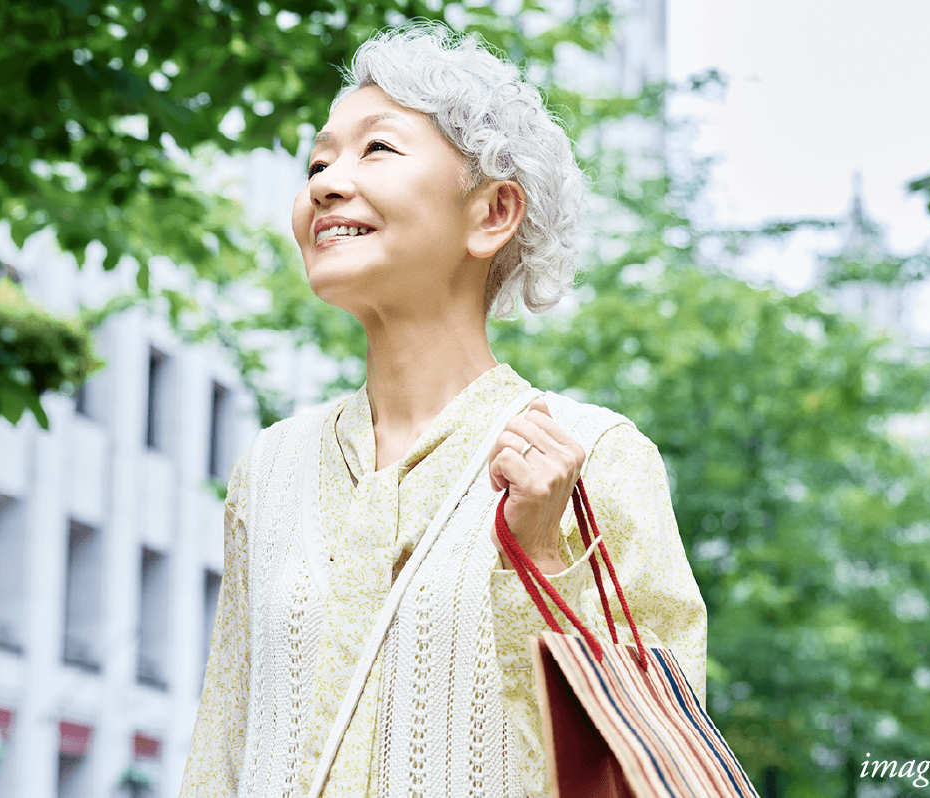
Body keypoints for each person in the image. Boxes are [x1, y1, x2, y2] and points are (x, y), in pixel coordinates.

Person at [180, 22, 706, 798]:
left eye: (377, 150)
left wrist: (542, 555)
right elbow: (221, 750)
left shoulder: (596, 455)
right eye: (318, 160)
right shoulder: (271, 467)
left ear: (492, 212)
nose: (325, 182)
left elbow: (645, 767)